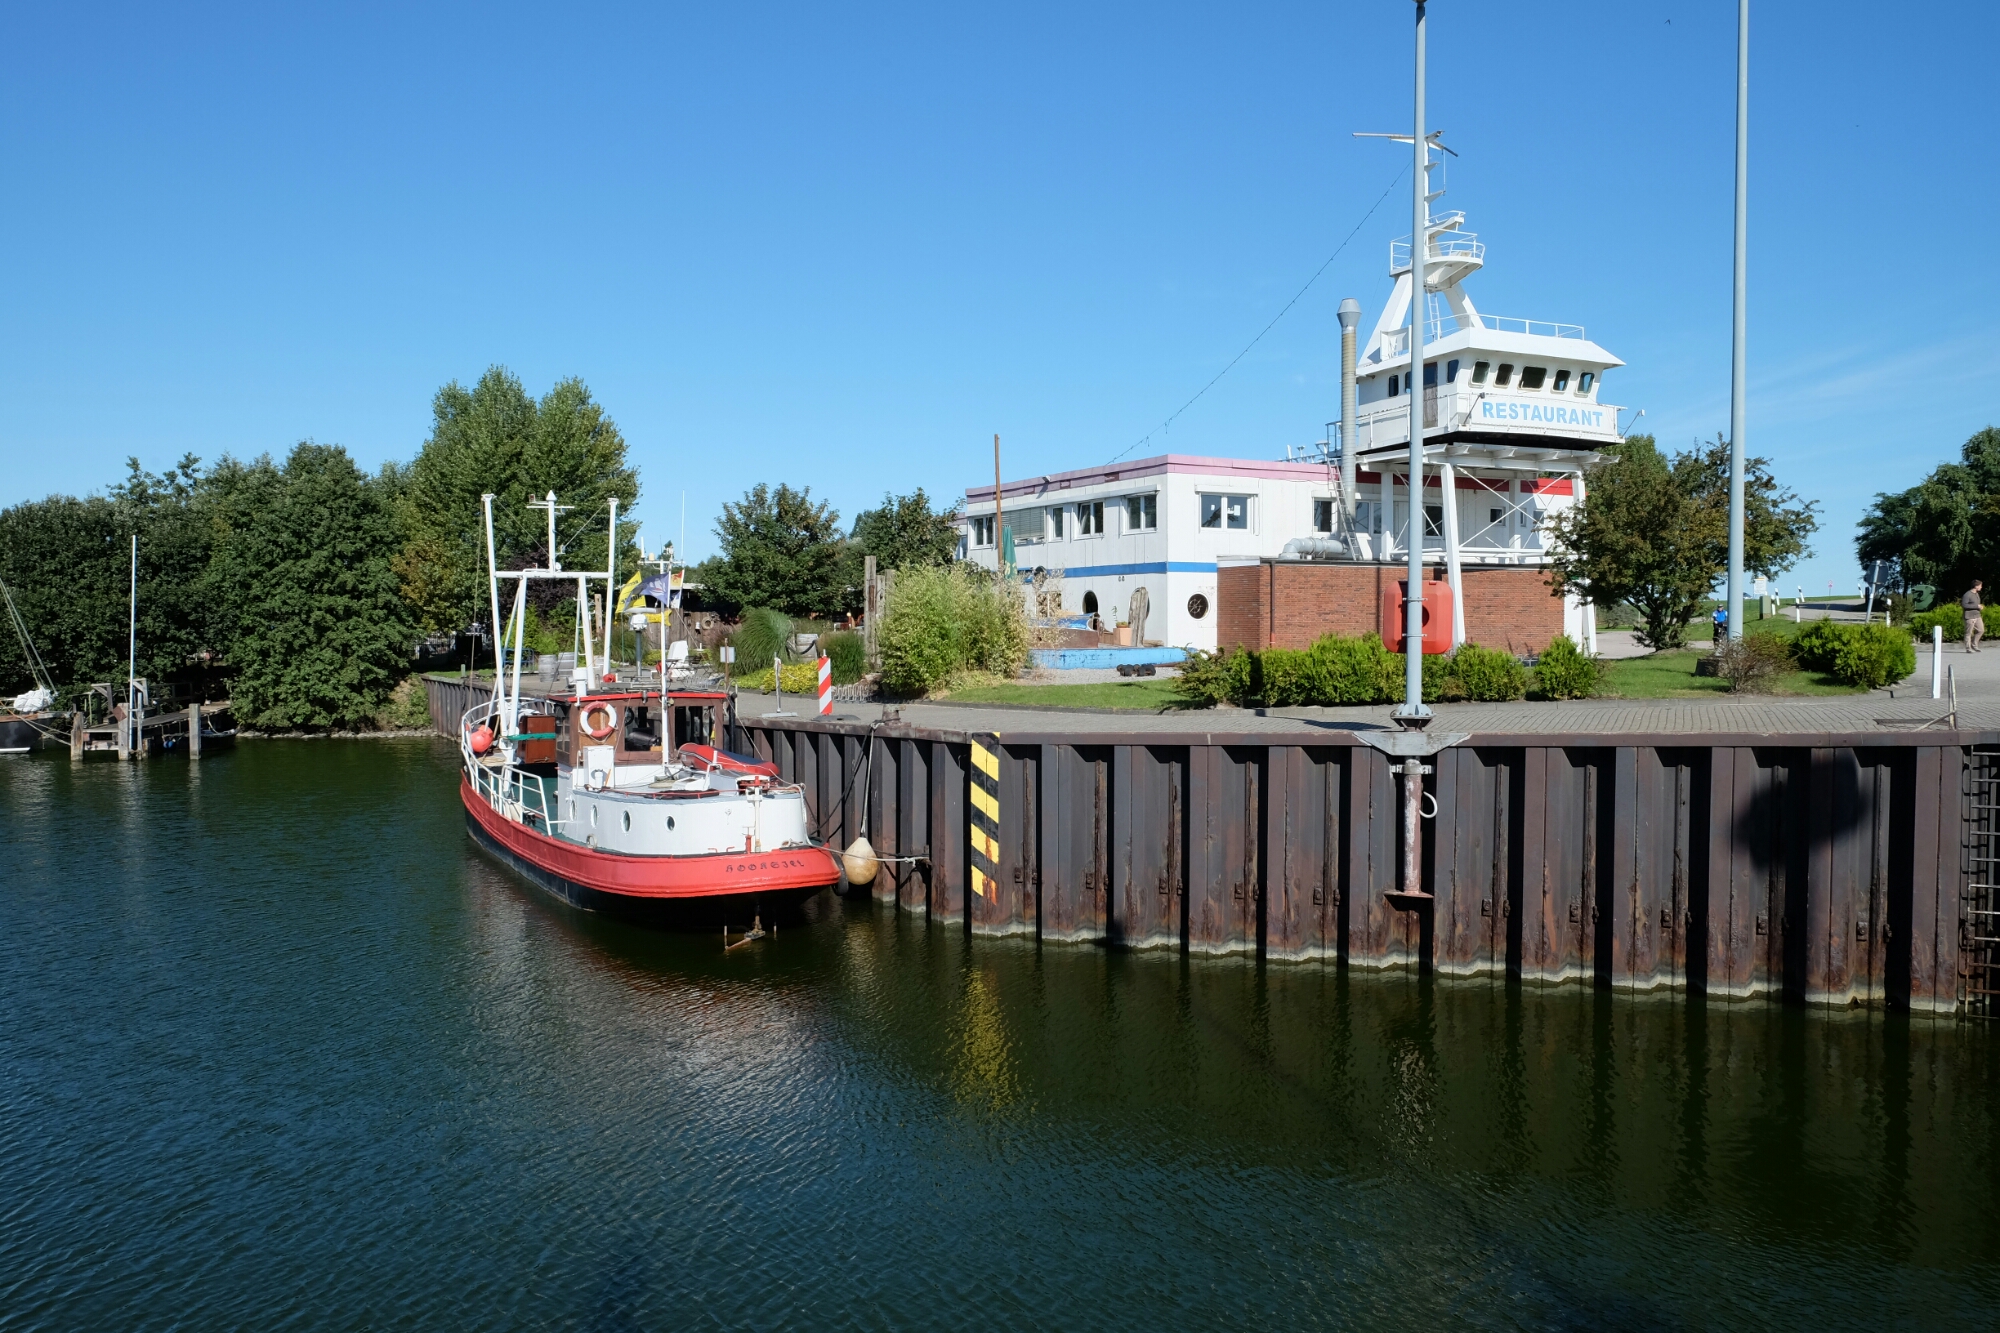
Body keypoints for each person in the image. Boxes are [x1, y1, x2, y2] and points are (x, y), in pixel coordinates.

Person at [1965, 580, 1985, 653]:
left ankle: (1974, 645)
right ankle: (1968, 648)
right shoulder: (1967, 594)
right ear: (1976, 586)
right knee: (1969, 633)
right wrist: (1976, 606)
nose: (1981, 587)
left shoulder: (1976, 594)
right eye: (1980, 586)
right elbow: (1965, 605)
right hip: (1969, 616)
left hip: (1977, 615)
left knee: (1981, 630)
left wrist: (1979, 607)